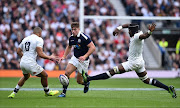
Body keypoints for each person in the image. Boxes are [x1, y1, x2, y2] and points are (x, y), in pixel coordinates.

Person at [82, 23, 177, 98]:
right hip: (139, 61)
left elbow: (144, 36)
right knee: (146, 80)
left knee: (112, 71)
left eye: (129, 31)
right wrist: (119, 28)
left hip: (133, 63)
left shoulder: (136, 36)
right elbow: (129, 25)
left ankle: (88, 79)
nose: (128, 32)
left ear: (132, 31)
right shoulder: (137, 31)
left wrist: (149, 32)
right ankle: (168, 88)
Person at [8, 27, 59, 98]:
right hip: (30, 63)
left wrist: (25, 57)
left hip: (22, 62)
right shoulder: (39, 39)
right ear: (40, 33)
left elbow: (18, 51)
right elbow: (40, 54)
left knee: (26, 76)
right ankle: (47, 92)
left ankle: (14, 93)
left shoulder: (25, 39)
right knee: (44, 75)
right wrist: (50, 57)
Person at [58, 22, 96, 97]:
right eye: (72, 29)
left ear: (78, 29)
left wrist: (85, 56)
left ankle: (86, 83)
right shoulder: (71, 38)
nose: (73, 31)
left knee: (79, 81)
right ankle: (63, 93)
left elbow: (93, 47)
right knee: (67, 73)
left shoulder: (84, 37)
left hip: (83, 61)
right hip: (75, 58)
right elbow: (69, 47)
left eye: (75, 29)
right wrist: (64, 56)